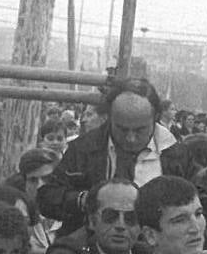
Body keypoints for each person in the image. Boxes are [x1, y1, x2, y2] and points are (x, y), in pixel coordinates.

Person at [36, 77, 180, 234]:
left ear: (156, 118)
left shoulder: (174, 153)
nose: (130, 138)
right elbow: (47, 199)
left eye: (140, 130)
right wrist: (85, 200)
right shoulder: (83, 148)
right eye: (122, 129)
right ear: (109, 117)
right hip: (91, 248)